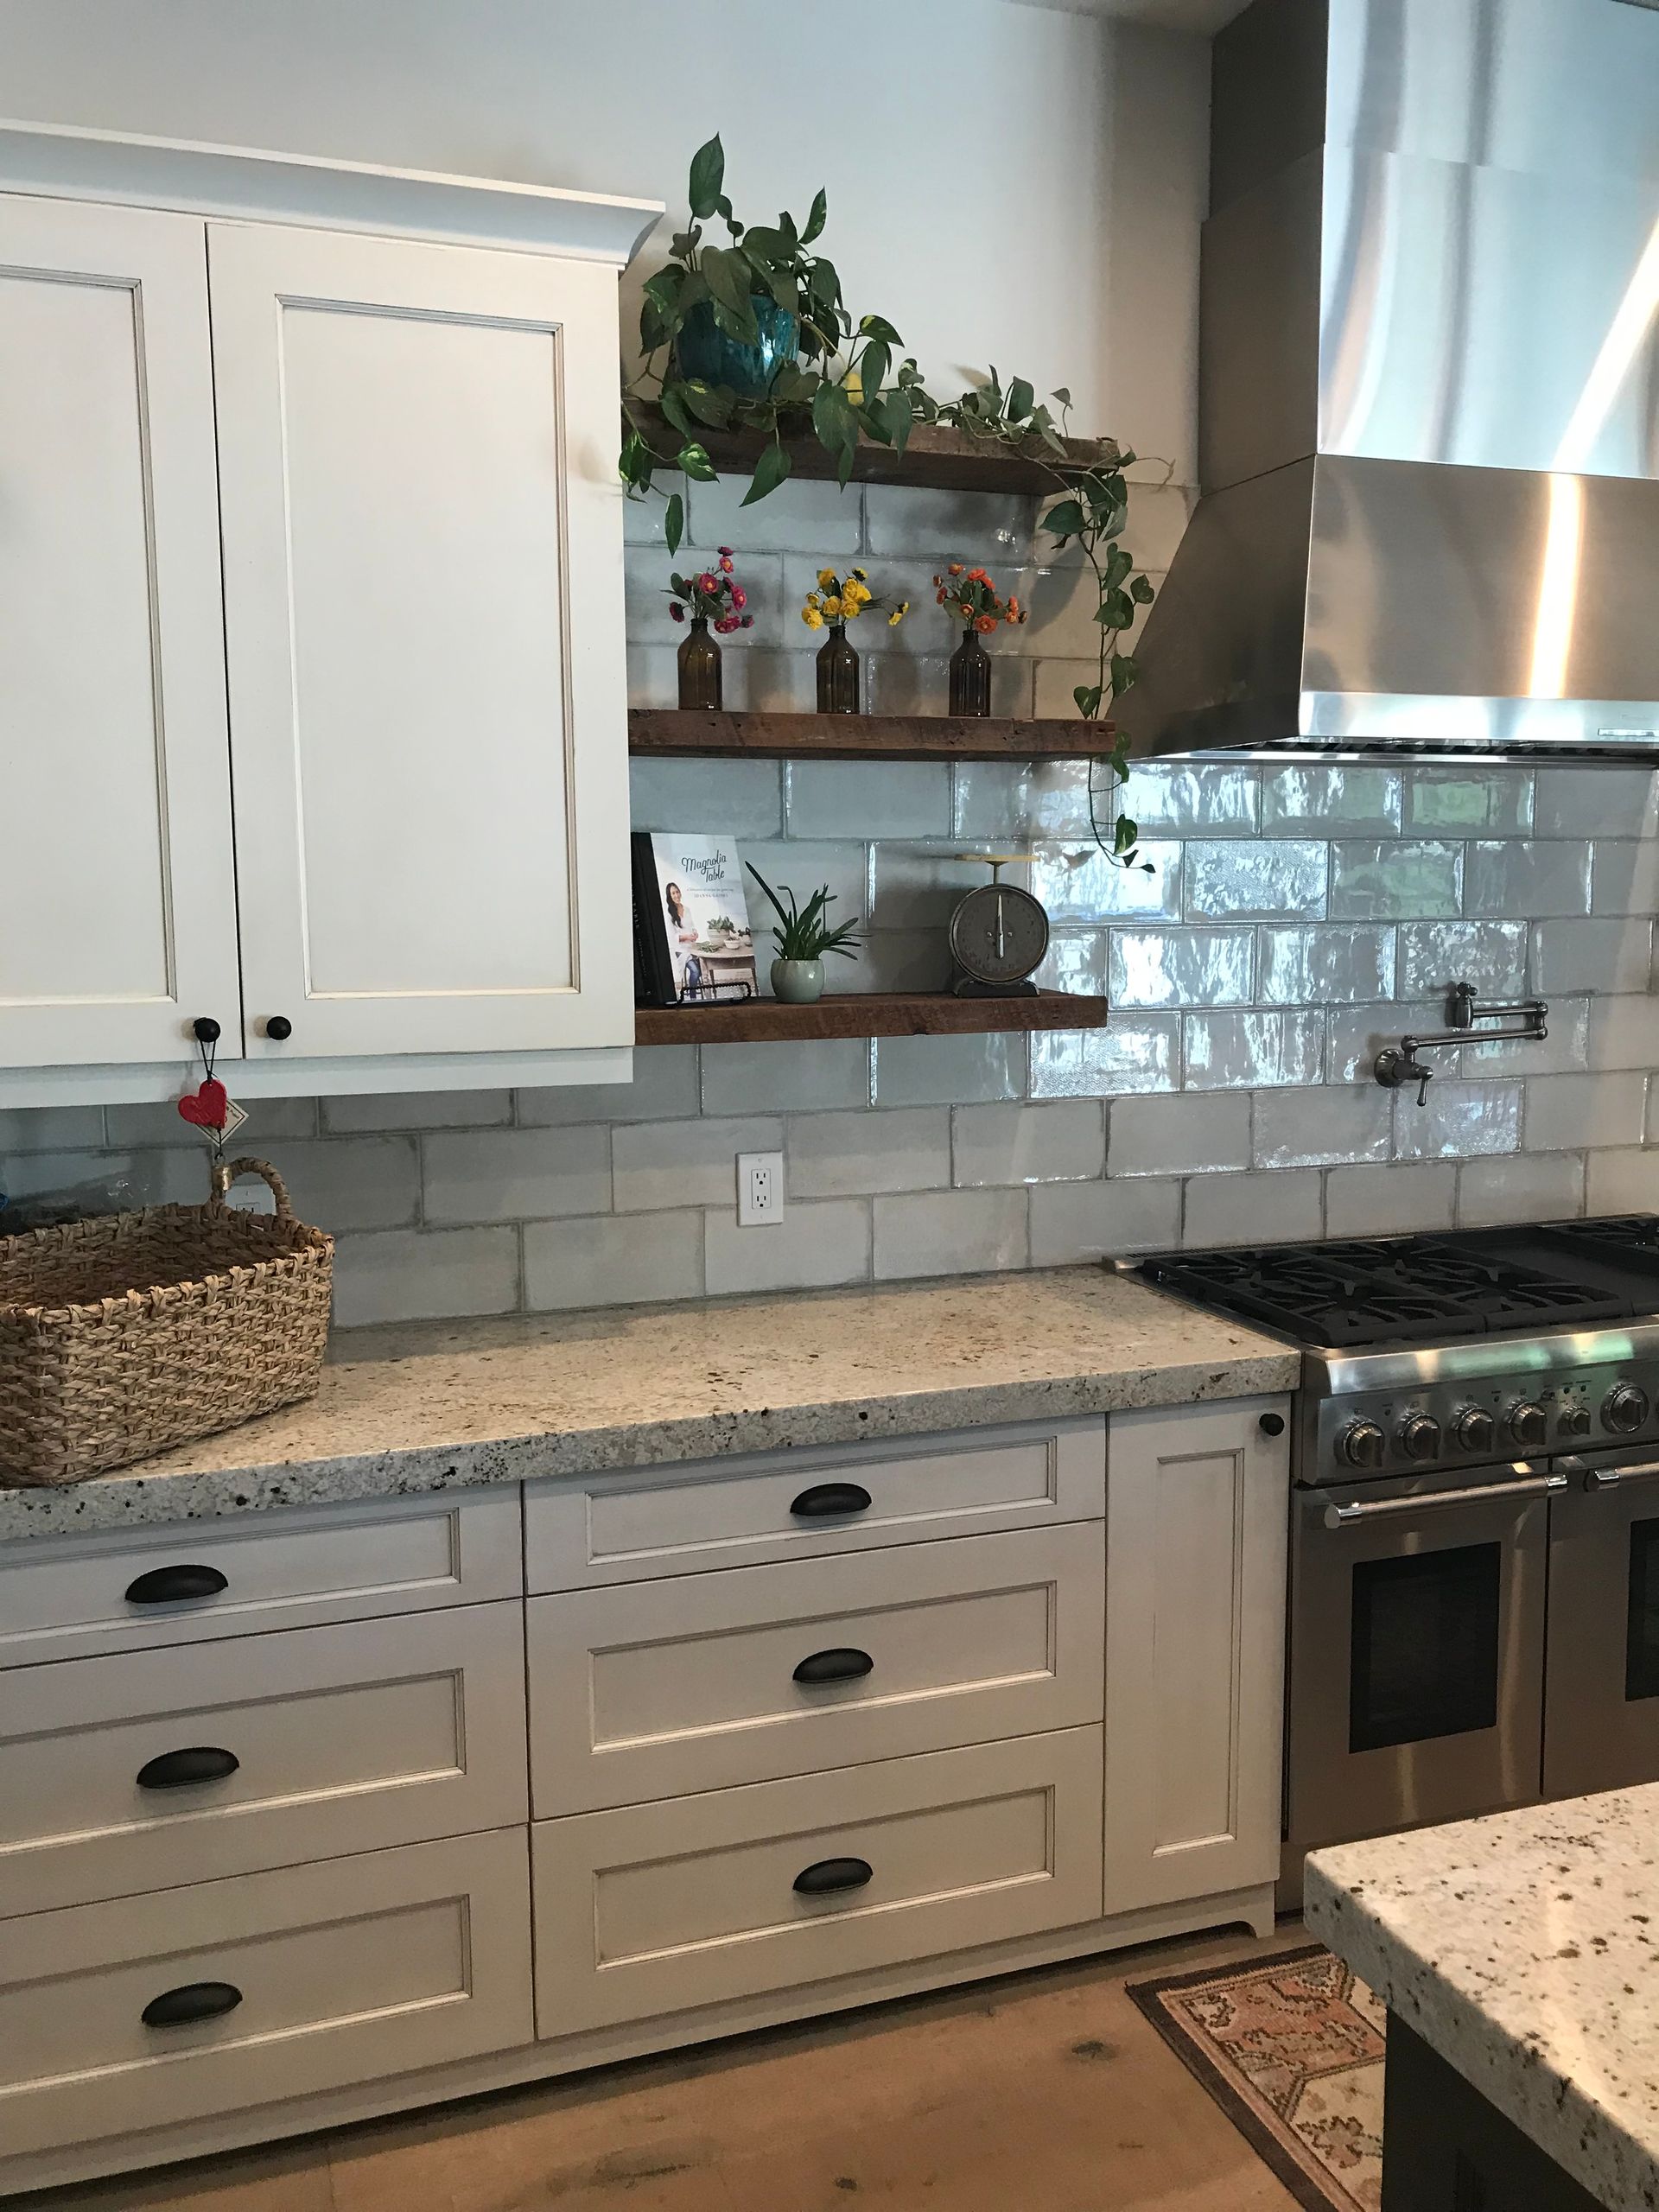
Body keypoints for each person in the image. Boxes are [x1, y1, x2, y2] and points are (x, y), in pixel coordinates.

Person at [664, 880, 704, 999]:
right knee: (696, 971)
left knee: (703, 969)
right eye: (673, 893)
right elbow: (673, 937)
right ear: (670, 897)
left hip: (692, 947)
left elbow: (692, 926)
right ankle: (693, 998)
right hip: (681, 950)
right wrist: (687, 937)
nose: (676, 895)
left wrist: (695, 933)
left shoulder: (687, 909)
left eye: (677, 892)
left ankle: (695, 987)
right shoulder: (669, 914)